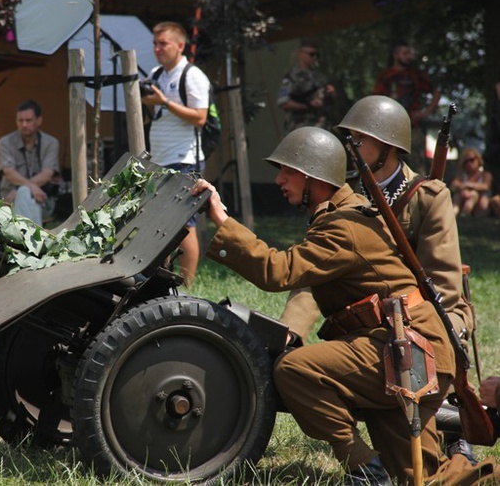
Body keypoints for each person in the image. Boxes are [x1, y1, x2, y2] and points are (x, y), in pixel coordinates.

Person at [191, 126, 498, 485]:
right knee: (417, 479)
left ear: (315, 178)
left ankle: (363, 470)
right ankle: (455, 461)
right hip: (398, 348)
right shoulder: (341, 215)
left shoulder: (344, 226)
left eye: (288, 171)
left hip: (407, 349)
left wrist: (221, 219)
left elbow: (279, 271)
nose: (278, 180)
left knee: (295, 369)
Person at [279, 95, 476, 462]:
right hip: (372, 327)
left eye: (359, 140)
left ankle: (455, 432)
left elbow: (443, 287)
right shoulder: (346, 199)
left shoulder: (426, 199)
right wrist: (290, 331)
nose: (349, 148)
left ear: (386, 146)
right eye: (348, 139)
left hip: (424, 324)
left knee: (421, 457)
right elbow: (312, 275)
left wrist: (440, 350)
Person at [141, 21, 209, 288]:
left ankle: (188, 286)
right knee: (162, 226)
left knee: (184, 226)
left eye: (163, 43)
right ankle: (165, 283)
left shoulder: (192, 75)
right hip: (160, 161)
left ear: (180, 45)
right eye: (155, 44)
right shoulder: (156, 73)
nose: (157, 49)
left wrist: (165, 102)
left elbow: (200, 118)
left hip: (184, 160)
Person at [373, 40, 441, 176]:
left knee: (418, 165)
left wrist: (425, 112)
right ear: (396, 55)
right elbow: (375, 100)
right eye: (405, 53)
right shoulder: (386, 76)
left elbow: (436, 92)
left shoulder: (415, 75)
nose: (409, 57)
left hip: (412, 126)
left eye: (410, 53)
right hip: (390, 128)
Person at [0, 100, 59, 226]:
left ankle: (22, 235)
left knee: (24, 192)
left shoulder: (51, 143)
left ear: (39, 121)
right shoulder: (5, 142)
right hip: (9, 200)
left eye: (28, 120)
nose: (24, 125)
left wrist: (20, 189)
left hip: (42, 198)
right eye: (20, 121)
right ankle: (35, 237)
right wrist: (29, 187)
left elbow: (48, 174)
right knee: (25, 191)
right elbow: (8, 172)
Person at [277, 37, 336, 133]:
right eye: (311, 54)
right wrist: (307, 106)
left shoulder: (320, 77)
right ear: (300, 53)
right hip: (300, 128)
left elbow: (329, 100)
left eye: (317, 55)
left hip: (321, 127)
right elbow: (283, 102)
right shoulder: (291, 77)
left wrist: (331, 93)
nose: (315, 58)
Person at [450, 147, 492, 217]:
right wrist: (463, 190)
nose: (469, 163)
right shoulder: (461, 175)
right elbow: (453, 185)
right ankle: (454, 214)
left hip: (480, 203)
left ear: (478, 160)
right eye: (466, 161)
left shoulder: (485, 174)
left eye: (472, 160)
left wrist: (467, 185)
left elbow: (485, 186)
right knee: (457, 196)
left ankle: (465, 215)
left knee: (473, 194)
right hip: (462, 199)